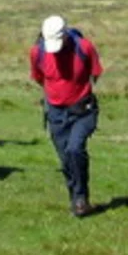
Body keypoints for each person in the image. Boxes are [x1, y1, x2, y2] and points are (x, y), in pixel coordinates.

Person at [30, 14, 105, 217]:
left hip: (82, 110)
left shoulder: (84, 48)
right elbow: (39, 78)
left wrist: (79, 93)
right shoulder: (37, 52)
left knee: (75, 149)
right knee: (66, 159)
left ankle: (80, 197)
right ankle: (77, 199)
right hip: (55, 112)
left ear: (65, 36)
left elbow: (95, 72)